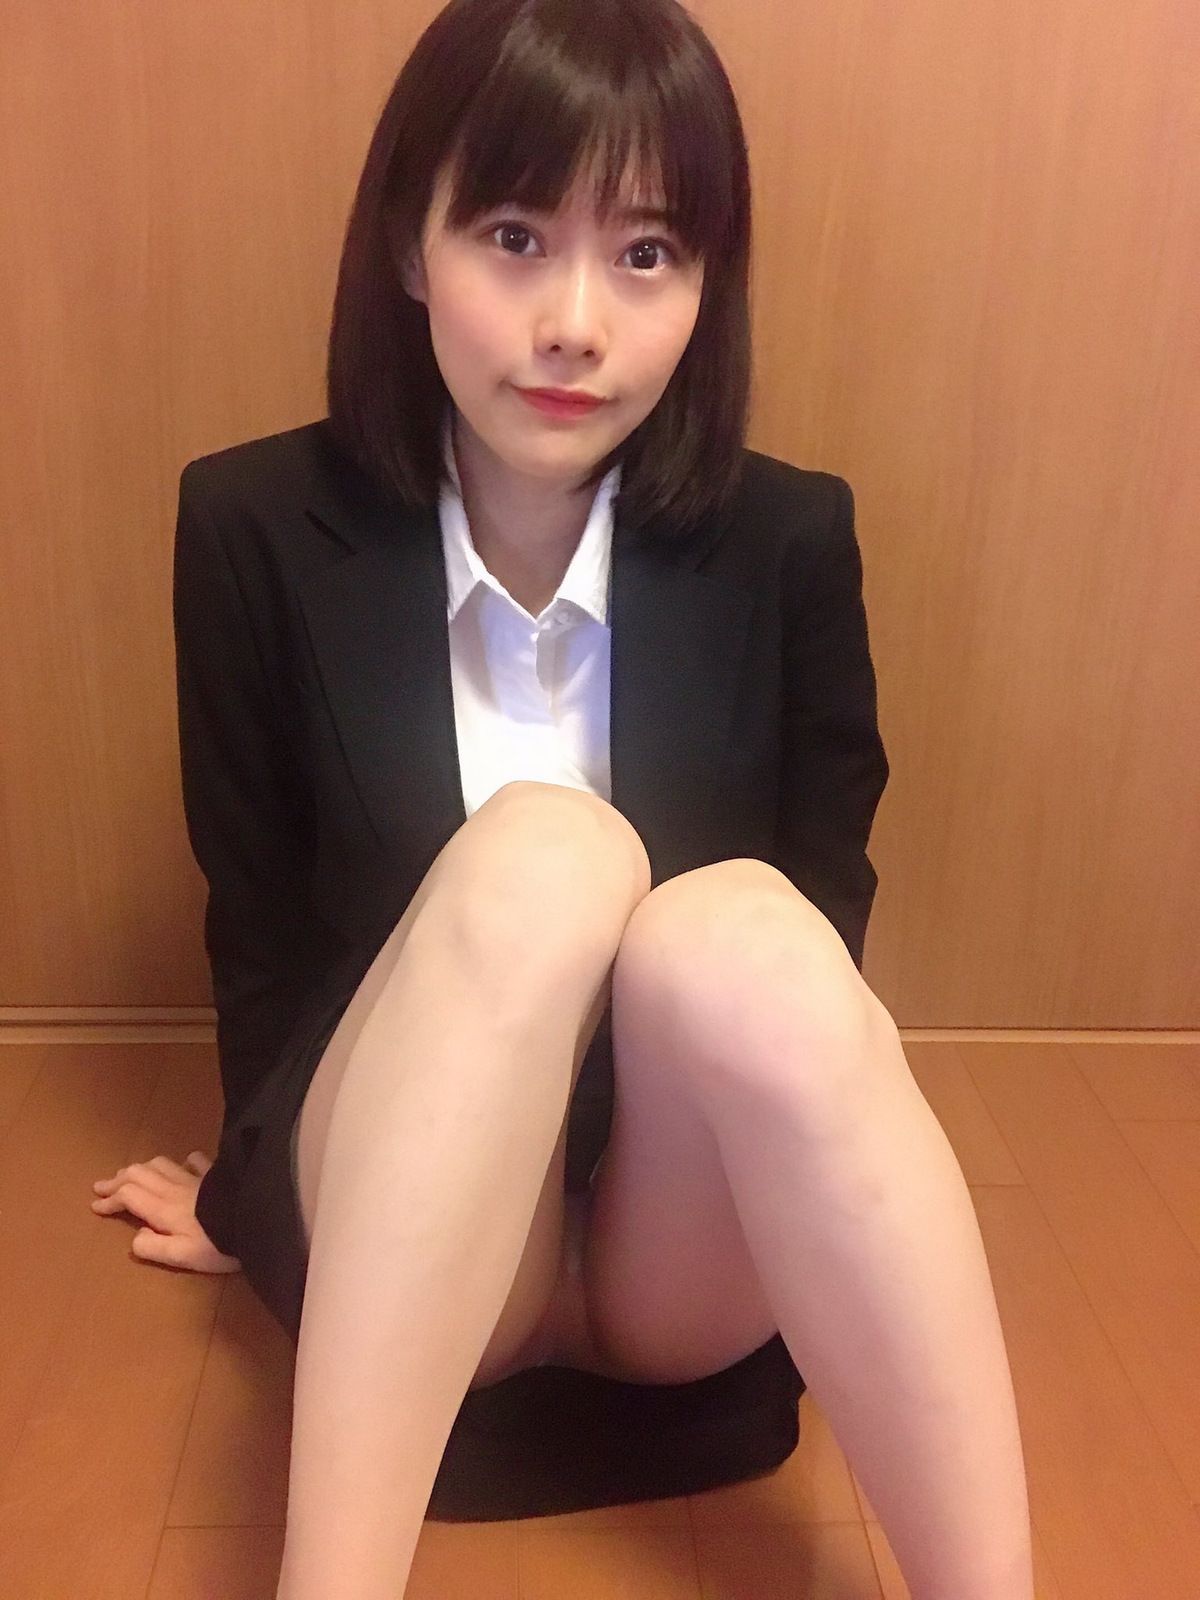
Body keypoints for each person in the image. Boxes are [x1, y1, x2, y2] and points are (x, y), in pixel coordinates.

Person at [90, 2, 1035, 1597]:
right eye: (516, 237)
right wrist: (263, 1195)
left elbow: (824, 961)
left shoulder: (791, 541)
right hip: (422, 1228)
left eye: (647, 254)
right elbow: (260, 942)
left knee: (752, 933)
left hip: (684, 1255)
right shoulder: (252, 525)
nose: (576, 324)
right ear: (411, 243)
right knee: (543, 857)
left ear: (709, 285)